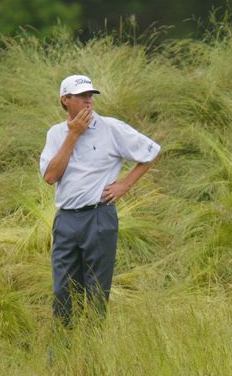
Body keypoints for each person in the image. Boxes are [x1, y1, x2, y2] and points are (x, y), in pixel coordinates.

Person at [39, 74, 160, 328]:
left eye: (90, 96)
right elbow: (50, 176)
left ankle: (93, 352)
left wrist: (125, 185)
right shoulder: (56, 134)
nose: (88, 102)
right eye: (81, 97)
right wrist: (73, 136)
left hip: (99, 217)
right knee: (63, 290)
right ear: (65, 100)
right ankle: (62, 352)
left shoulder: (111, 128)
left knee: (96, 290)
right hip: (66, 219)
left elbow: (151, 152)